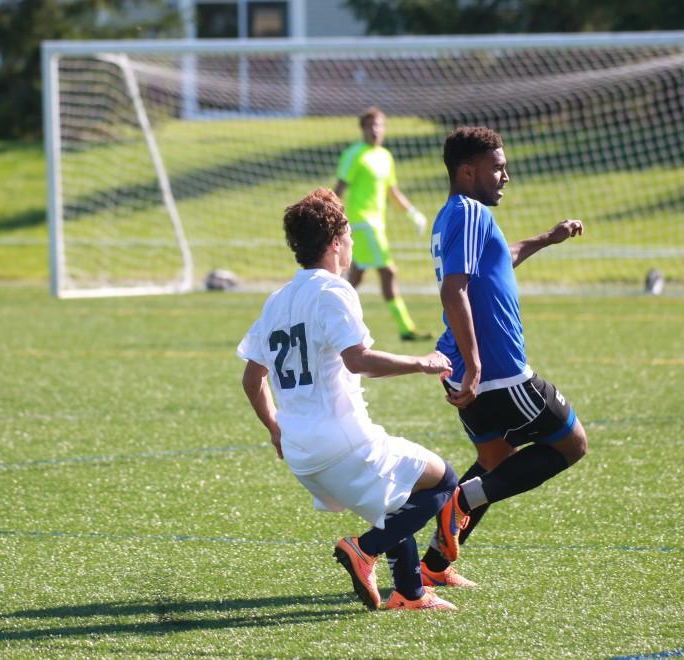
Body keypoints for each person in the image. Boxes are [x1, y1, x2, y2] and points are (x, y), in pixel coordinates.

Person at [238, 187, 464, 611]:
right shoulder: (335, 291)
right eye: (351, 237)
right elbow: (359, 361)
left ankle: (410, 593)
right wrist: (421, 362)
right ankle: (365, 549)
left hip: (302, 453)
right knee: (444, 479)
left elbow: (253, 378)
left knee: (391, 503)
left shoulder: (277, 300)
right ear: (337, 241)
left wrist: (274, 429)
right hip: (342, 443)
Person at [418, 127, 589, 588]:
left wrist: (546, 239)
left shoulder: (451, 216)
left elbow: (496, 260)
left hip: (467, 374)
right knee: (572, 444)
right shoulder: (471, 212)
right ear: (468, 171)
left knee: (495, 460)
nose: (505, 176)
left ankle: (433, 567)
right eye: (497, 167)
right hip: (497, 372)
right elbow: (453, 290)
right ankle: (463, 500)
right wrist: (476, 365)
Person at [335, 106, 431, 341]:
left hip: (377, 225)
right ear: (363, 130)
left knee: (355, 278)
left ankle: (324, 316)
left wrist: (413, 213)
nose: (375, 130)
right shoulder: (354, 154)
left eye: (379, 125)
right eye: (370, 126)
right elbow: (338, 189)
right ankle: (406, 328)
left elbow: (392, 191)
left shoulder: (385, 157)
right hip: (362, 223)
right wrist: (333, 220)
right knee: (389, 272)